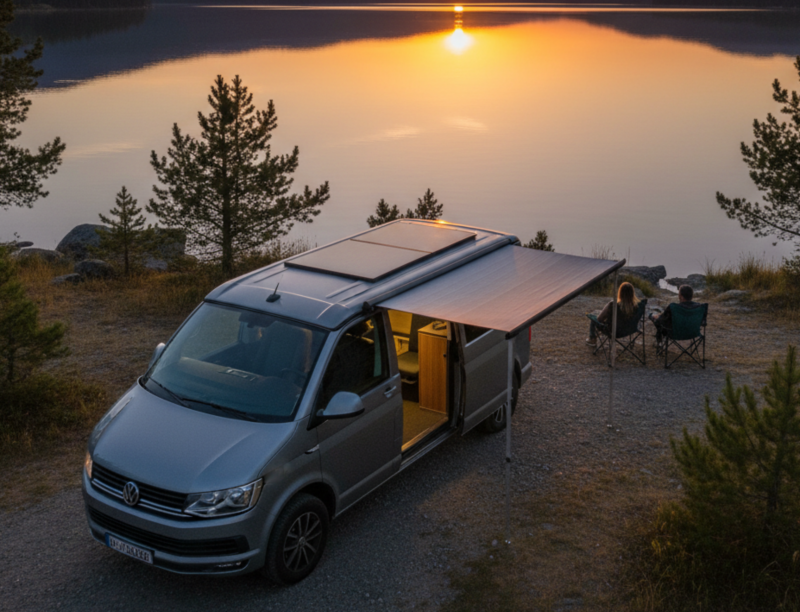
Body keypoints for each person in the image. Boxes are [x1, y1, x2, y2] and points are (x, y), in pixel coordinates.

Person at [586, 282, 640, 346]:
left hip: (613, 331)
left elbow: (599, 319)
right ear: (632, 293)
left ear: (620, 293)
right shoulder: (637, 306)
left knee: (593, 317)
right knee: (597, 312)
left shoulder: (613, 304)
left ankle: (592, 339)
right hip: (629, 330)